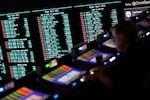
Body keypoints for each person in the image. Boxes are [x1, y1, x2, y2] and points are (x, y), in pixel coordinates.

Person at [88, 20, 150, 100]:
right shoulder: (138, 48)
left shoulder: (130, 60)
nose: (113, 41)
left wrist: (98, 75)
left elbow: (114, 85)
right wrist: (105, 66)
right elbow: (121, 62)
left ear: (123, 39)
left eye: (115, 38)